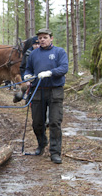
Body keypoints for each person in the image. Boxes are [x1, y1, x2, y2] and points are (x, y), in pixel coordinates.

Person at [23, 28, 69, 164]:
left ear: (51, 38)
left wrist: (50, 72)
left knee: (55, 122)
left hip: (55, 90)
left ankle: (55, 152)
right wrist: (27, 75)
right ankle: (42, 144)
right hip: (38, 90)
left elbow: (64, 68)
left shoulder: (59, 52)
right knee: (37, 122)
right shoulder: (33, 54)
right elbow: (28, 68)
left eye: (45, 37)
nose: (42, 40)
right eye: (40, 38)